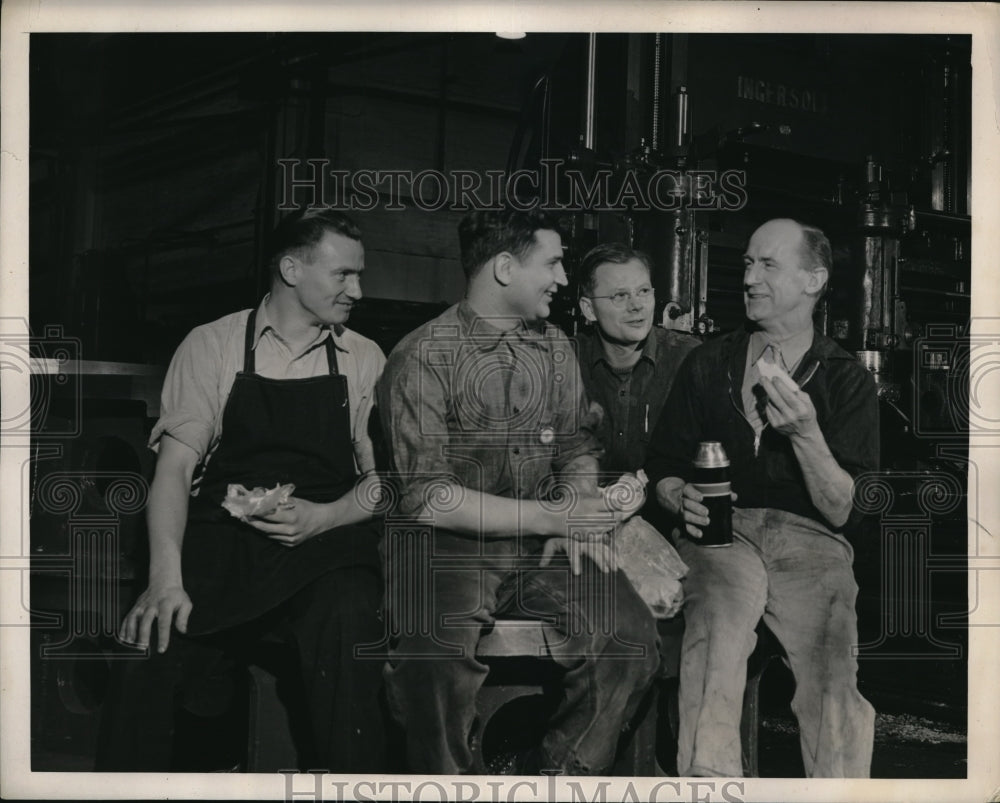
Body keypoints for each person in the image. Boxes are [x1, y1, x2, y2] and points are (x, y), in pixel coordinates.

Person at [97, 208, 388, 772]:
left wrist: (324, 517)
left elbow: (383, 485)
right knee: (148, 648)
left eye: (359, 274)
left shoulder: (365, 357)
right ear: (291, 269)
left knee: (351, 618)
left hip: (324, 551)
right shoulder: (213, 345)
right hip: (223, 547)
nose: (358, 289)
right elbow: (176, 472)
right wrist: (163, 580)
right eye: (343, 275)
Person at [377, 209, 660, 776]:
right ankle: (445, 786)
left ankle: (558, 779)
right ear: (505, 268)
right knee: (431, 658)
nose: (561, 278)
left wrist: (576, 509)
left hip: (541, 548)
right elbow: (429, 499)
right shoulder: (423, 356)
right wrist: (551, 519)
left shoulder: (554, 349)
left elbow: (578, 445)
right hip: (449, 548)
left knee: (630, 637)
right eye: (552, 263)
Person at [645, 218, 879, 778]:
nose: (750, 277)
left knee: (830, 670)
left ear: (813, 280)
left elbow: (844, 508)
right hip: (724, 534)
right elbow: (663, 468)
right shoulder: (709, 363)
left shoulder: (845, 379)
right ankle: (710, 786)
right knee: (716, 632)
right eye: (748, 263)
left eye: (768, 265)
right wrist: (680, 497)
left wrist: (806, 434)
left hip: (813, 540)